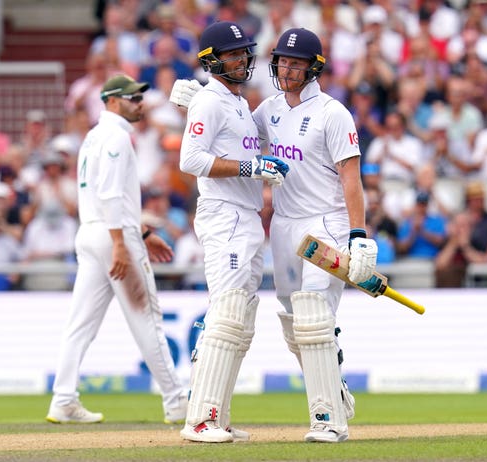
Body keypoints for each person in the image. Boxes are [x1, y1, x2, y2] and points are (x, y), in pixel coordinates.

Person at [252, 28, 378, 443]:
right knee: (294, 323)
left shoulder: (332, 113)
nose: (286, 69)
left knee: (315, 317)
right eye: (282, 62)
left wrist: (358, 233)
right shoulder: (268, 109)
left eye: (295, 63)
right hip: (284, 224)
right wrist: (200, 103)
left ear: (314, 67)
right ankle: (335, 388)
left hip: (326, 222)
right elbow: (236, 138)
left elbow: (351, 177)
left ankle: (329, 421)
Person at [46, 74, 187, 426]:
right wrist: (123, 243)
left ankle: (63, 399)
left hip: (92, 233)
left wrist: (140, 231)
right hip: (112, 237)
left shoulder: (93, 137)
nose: (139, 104)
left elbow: (106, 196)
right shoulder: (117, 138)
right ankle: (176, 401)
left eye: (140, 99)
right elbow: (110, 195)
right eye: (132, 98)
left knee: (79, 325)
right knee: (147, 321)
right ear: (111, 101)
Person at [177, 21, 289, 443]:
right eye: (232, 54)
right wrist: (251, 167)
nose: (241, 59)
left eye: (244, 52)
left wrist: (257, 164)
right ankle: (199, 420)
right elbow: (191, 160)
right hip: (224, 216)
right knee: (225, 313)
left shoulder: (237, 102)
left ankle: (218, 416)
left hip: (245, 216)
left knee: (240, 320)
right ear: (212, 61)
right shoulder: (211, 101)